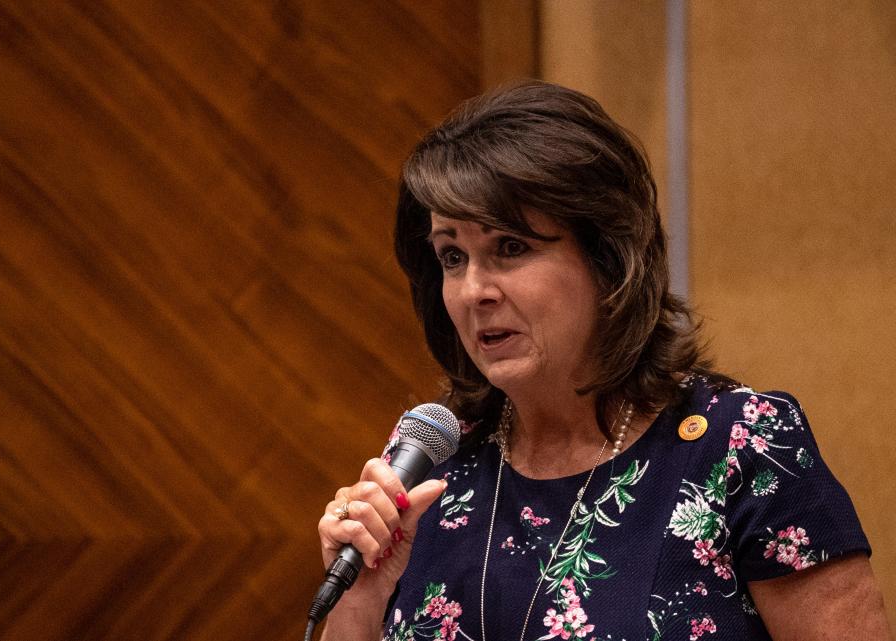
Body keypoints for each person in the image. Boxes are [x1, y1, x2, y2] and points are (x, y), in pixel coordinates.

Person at [316, 81, 891, 641]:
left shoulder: (741, 445)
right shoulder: (433, 463)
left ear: (607, 259)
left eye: (510, 248)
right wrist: (364, 594)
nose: (473, 291)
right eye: (452, 256)